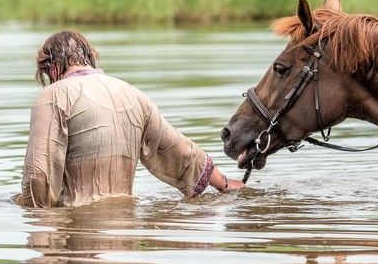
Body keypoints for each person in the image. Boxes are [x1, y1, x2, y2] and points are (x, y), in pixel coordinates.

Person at [18, 30, 244, 207]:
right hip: (126, 241)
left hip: (80, 229)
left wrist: (35, 220)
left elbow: (38, 175)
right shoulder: (132, 94)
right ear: (88, 57)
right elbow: (180, 149)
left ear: (53, 68)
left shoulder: (53, 96)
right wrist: (224, 184)